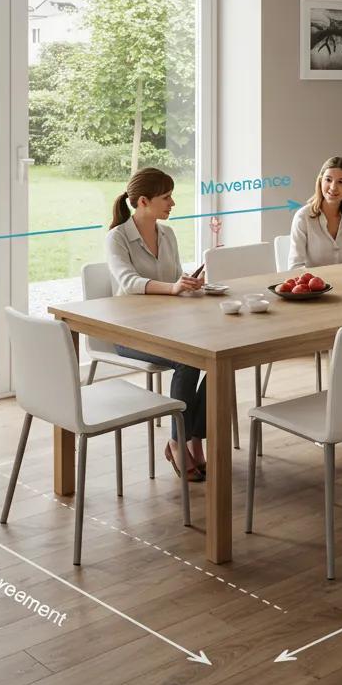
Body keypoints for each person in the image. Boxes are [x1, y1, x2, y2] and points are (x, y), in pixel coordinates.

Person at [105, 167, 207, 481]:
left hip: (170, 326)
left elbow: (174, 274)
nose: (172, 203)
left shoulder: (168, 234)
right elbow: (129, 281)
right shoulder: (118, 237)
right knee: (188, 363)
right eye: (166, 197)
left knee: (218, 363)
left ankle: (196, 440)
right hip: (131, 333)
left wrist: (188, 282)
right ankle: (177, 443)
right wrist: (173, 287)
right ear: (144, 201)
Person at [287, 156, 342, 269]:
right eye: (328, 180)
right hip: (313, 286)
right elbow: (295, 267)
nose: (333, 187)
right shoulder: (303, 217)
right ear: (320, 181)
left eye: (341, 182)